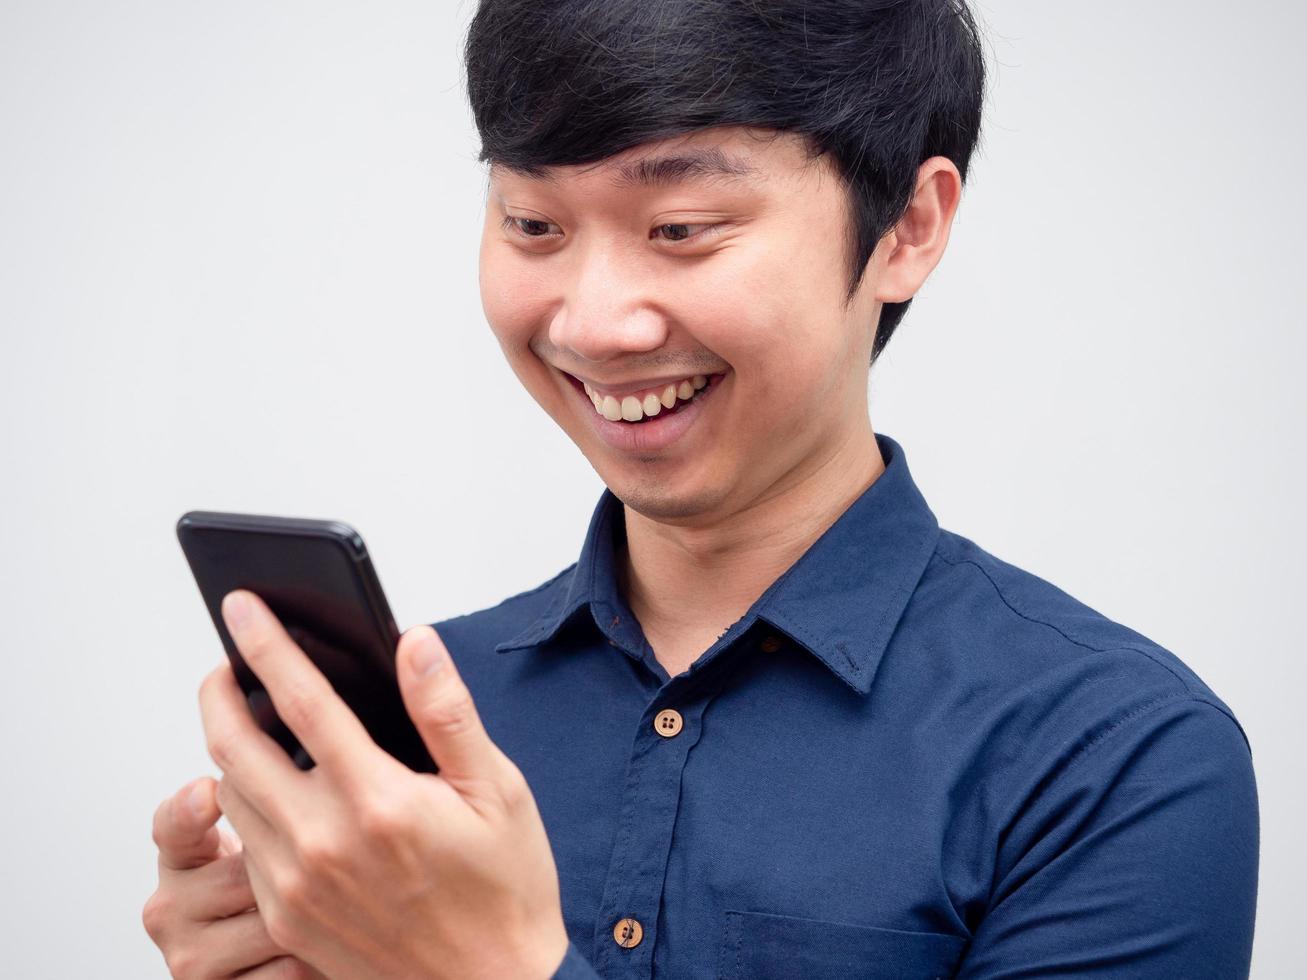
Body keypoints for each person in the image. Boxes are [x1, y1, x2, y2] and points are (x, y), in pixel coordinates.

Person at [143, 1, 1260, 977]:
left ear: (907, 228)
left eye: (680, 229)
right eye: (532, 223)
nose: (592, 322)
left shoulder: (1115, 754)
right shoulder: (426, 722)